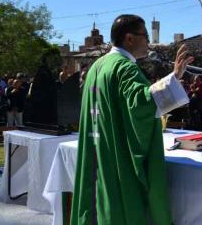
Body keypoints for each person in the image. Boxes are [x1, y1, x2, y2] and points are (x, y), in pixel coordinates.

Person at [71, 14, 193, 225]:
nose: (148, 41)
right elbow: (142, 103)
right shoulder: (125, 67)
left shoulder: (97, 67)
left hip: (97, 149)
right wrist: (174, 78)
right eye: (145, 36)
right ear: (129, 39)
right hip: (117, 156)